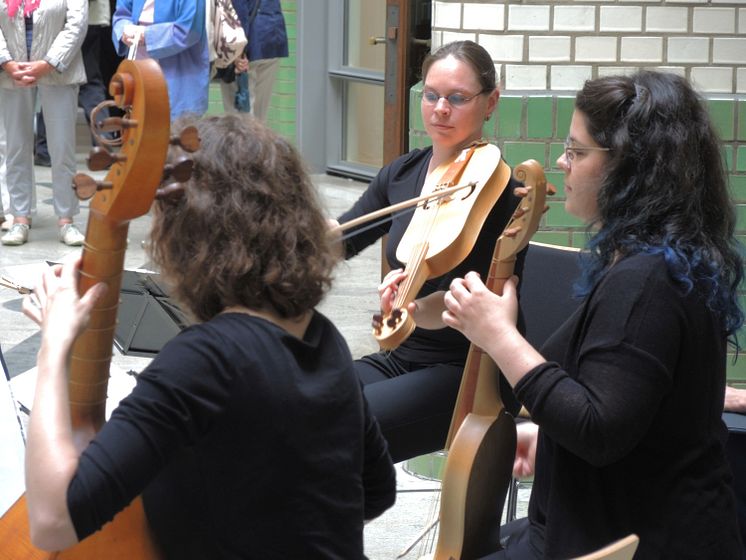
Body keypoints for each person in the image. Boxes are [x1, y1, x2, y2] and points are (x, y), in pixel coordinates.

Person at [21, 114, 396, 558]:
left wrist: (54, 346)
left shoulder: (205, 360)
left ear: (187, 230)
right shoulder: (323, 336)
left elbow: (52, 523)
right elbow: (376, 492)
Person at [443, 71, 745, 559]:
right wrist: (550, 436)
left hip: (638, 544)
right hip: (609, 524)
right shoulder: (653, 260)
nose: (562, 162)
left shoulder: (646, 281)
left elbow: (598, 429)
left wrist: (498, 334)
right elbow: (627, 399)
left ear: (629, 168)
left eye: (577, 151)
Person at [335, 40, 525, 464]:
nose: (441, 109)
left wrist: (413, 307)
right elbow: (344, 238)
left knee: (341, 427)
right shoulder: (402, 174)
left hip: (464, 371)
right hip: (399, 358)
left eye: (457, 98)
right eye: (432, 95)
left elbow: (485, 303)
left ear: (490, 102)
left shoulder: (503, 192)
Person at [0, 0, 88, 246]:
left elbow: (76, 24)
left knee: (63, 149)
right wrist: (6, 62)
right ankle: (19, 218)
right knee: (16, 147)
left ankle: (67, 220)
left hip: (59, 72)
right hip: (12, 73)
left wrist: (47, 64)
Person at [35, 0, 116, 167]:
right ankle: (103, 146)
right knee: (85, 81)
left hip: (64, 17)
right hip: (85, 17)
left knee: (52, 78)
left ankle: (44, 149)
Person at [112, 0, 209, 120]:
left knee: (178, 132)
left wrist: (146, 35)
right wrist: (123, 30)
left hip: (179, 75)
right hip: (139, 70)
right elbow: (121, 14)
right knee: (140, 129)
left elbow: (188, 30)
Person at [220, 0, 287, 122]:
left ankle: (245, 140)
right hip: (272, 38)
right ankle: (258, 139)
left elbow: (239, 8)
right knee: (260, 114)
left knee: (239, 118)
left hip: (249, 41)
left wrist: (238, 51)